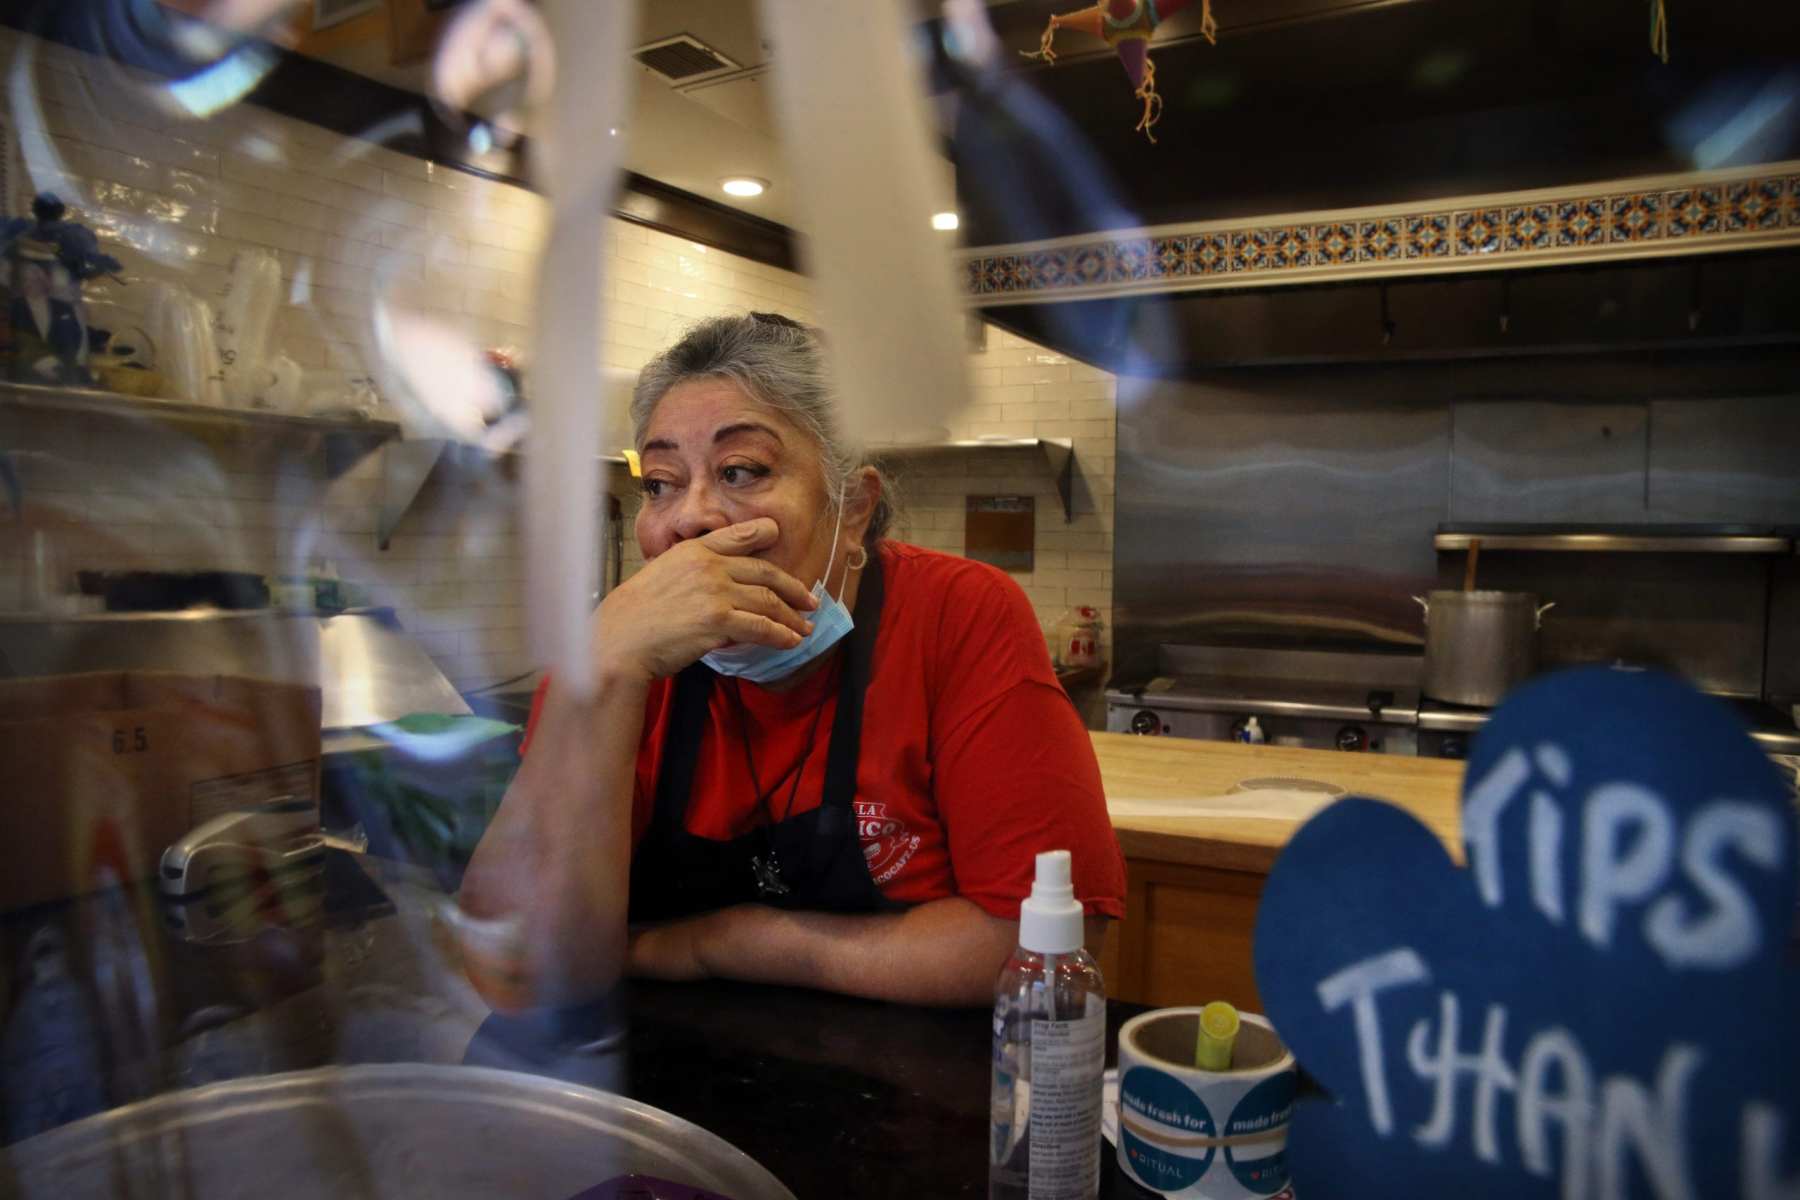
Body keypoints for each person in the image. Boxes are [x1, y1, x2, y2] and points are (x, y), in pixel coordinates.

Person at [460, 312, 1123, 1011]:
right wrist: (603, 676)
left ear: (855, 507)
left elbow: (1043, 946)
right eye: (659, 482)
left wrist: (720, 943)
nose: (690, 518)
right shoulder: (613, 647)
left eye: (741, 471)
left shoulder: (957, 615)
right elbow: (513, 968)